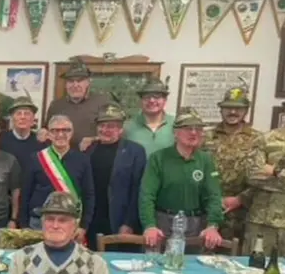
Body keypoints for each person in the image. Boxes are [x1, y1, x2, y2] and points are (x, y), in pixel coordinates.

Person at [139, 107, 224, 249]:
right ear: (175, 132)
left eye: (198, 129)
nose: (194, 133)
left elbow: (213, 195)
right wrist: (149, 225)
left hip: (195, 225)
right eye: (188, 128)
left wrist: (212, 225)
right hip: (162, 224)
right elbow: (147, 195)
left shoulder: (205, 160)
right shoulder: (158, 158)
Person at [202, 84, 266, 242]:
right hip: (207, 209)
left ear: (246, 110)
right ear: (221, 109)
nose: (232, 112)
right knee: (202, 252)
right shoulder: (205, 137)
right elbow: (195, 170)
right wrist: (212, 199)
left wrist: (240, 199)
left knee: (237, 254)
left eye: (238, 108)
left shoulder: (258, 139)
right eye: (228, 107)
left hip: (242, 212)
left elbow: (262, 176)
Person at [19, 115, 94, 240]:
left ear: (72, 133)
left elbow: (89, 195)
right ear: (48, 134)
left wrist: (84, 226)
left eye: (65, 130)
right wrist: (24, 225)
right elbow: (25, 193)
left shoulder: (82, 160)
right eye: (55, 130)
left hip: (70, 222)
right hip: (38, 222)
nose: (60, 134)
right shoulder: (36, 158)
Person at [83, 102, 146, 246]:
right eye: (102, 125)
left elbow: (138, 190)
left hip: (120, 221)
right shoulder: (88, 149)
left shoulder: (135, 151)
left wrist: (129, 223)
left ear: (121, 129)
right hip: (92, 220)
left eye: (111, 126)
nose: (105, 130)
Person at [246, 113, 285, 255]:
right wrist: (279, 173)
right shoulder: (266, 139)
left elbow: (262, 173)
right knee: (254, 266)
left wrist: (272, 171)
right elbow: (252, 175)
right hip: (263, 221)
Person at [41, 60, 108, 147]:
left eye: (79, 81)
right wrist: (42, 132)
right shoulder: (56, 105)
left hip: (94, 153)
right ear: (66, 84)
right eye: (71, 81)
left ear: (87, 83)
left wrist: (94, 139)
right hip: (62, 154)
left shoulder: (102, 102)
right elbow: (47, 130)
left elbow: (114, 133)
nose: (75, 85)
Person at [123, 77, 176, 156]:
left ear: (165, 100)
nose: (151, 100)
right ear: (141, 100)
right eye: (147, 96)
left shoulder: (176, 125)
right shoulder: (127, 126)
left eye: (157, 96)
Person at [0, 95, 47, 175]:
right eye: (18, 113)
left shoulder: (41, 142)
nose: (23, 117)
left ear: (33, 118)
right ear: (12, 118)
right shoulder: (0, 140)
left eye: (27, 113)